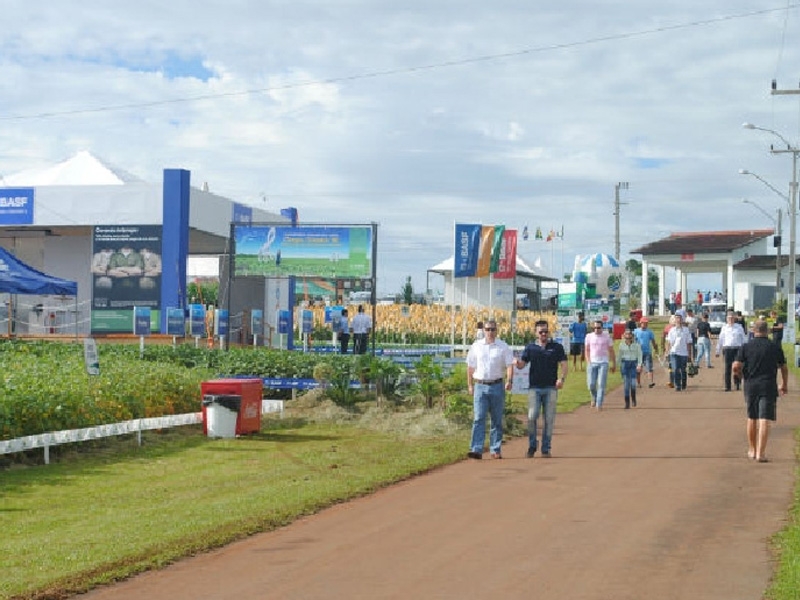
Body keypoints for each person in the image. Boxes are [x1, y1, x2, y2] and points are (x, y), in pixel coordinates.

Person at [733, 320, 788, 462]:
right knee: (765, 419)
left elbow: (736, 365)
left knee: (752, 418)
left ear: (753, 331)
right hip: (768, 385)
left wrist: (739, 375)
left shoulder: (746, 347)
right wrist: (784, 384)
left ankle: (751, 449)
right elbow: (783, 367)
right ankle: (760, 453)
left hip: (751, 385)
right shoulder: (774, 347)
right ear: (768, 331)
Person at [516, 319, 568, 458]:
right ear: (536, 333)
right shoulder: (531, 348)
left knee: (549, 419)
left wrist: (561, 379)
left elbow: (563, 364)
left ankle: (546, 447)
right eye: (541, 332)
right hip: (535, 387)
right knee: (532, 416)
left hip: (551, 387)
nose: (544, 334)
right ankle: (532, 445)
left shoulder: (556, 347)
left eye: (546, 331)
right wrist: (515, 362)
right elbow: (522, 364)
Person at [466, 319, 515, 459]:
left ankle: (495, 448)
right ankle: (476, 448)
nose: (490, 332)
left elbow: (509, 365)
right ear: (483, 331)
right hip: (480, 385)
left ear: (496, 330)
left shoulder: (502, 346)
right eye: (487, 329)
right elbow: (470, 367)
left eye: (493, 329)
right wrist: (470, 385)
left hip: (497, 385)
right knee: (478, 418)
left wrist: (509, 380)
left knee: (497, 419)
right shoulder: (476, 346)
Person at [584, 320, 616, 410]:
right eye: (594, 328)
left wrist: (614, 364)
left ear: (602, 328)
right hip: (592, 362)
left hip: (603, 362)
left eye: (598, 328)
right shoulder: (589, 336)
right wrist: (588, 361)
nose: (596, 330)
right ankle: (594, 397)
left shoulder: (606, 337)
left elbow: (611, 350)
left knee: (601, 384)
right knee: (591, 384)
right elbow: (587, 350)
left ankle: (599, 403)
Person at [716, 311, 747, 391]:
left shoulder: (739, 327)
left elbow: (743, 339)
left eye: (732, 318)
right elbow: (720, 339)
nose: (730, 319)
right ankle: (727, 386)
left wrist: (745, 350)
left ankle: (737, 383)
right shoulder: (724, 328)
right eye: (729, 318)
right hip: (727, 349)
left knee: (737, 367)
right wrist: (717, 350)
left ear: (734, 318)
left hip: (737, 349)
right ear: (726, 319)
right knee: (727, 368)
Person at [666, 313, 692, 391]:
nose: (678, 320)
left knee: (683, 369)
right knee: (676, 368)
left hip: (683, 353)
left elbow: (689, 342)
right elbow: (668, 342)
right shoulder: (671, 330)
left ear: (682, 320)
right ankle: (678, 385)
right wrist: (667, 352)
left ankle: (683, 383)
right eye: (676, 318)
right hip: (674, 352)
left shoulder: (686, 330)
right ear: (675, 320)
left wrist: (689, 354)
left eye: (679, 318)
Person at [617, 330, 643, 408]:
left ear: (632, 336)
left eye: (629, 334)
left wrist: (639, 365)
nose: (628, 336)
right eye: (626, 334)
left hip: (633, 364)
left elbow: (639, 355)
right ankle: (627, 402)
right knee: (626, 384)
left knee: (633, 384)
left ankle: (633, 398)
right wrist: (618, 365)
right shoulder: (621, 345)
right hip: (625, 364)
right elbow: (619, 356)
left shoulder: (637, 345)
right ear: (624, 336)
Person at [634, 317, 658, 388]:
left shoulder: (649, 332)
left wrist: (655, 348)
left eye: (646, 323)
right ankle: (638, 383)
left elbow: (653, 341)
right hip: (638, 353)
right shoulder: (636, 331)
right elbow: (631, 339)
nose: (646, 324)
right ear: (640, 323)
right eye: (644, 323)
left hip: (647, 352)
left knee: (649, 367)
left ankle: (651, 382)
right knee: (638, 369)